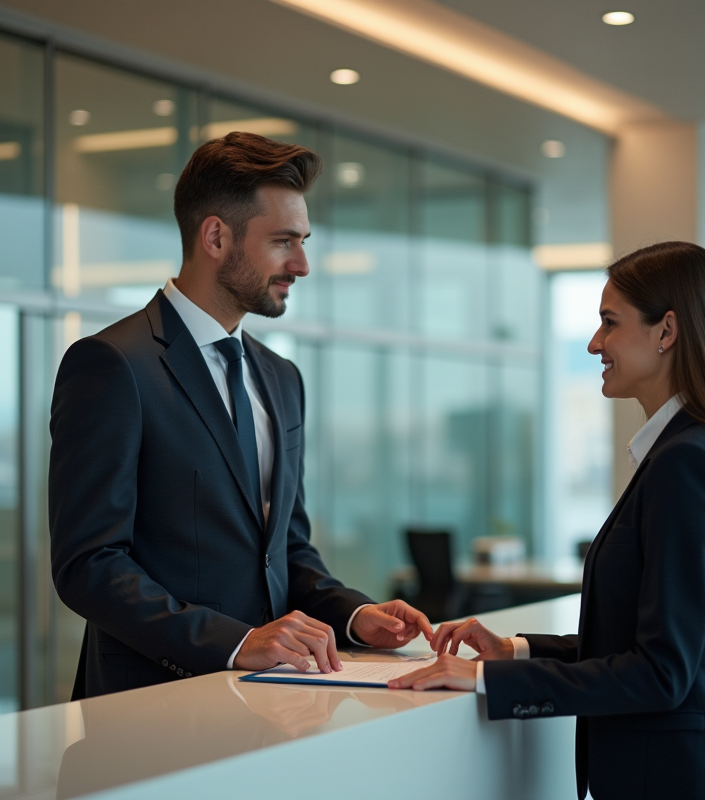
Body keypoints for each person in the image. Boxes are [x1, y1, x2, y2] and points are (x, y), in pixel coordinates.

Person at [390, 241, 705, 800]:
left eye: (609, 323)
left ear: (666, 331)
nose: (594, 343)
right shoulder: (696, 451)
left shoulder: (688, 462)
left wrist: (487, 679)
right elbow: (641, 643)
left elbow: (660, 673)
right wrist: (515, 651)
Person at [50, 132, 432, 699]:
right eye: (283, 242)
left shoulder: (281, 378)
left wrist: (355, 615)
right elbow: (90, 565)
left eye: (302, 241)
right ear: (215, 236)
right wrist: (233, 642)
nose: (301, 264)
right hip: (148, 706)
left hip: (276, 701)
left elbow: (285, 550)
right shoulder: (112, 364)